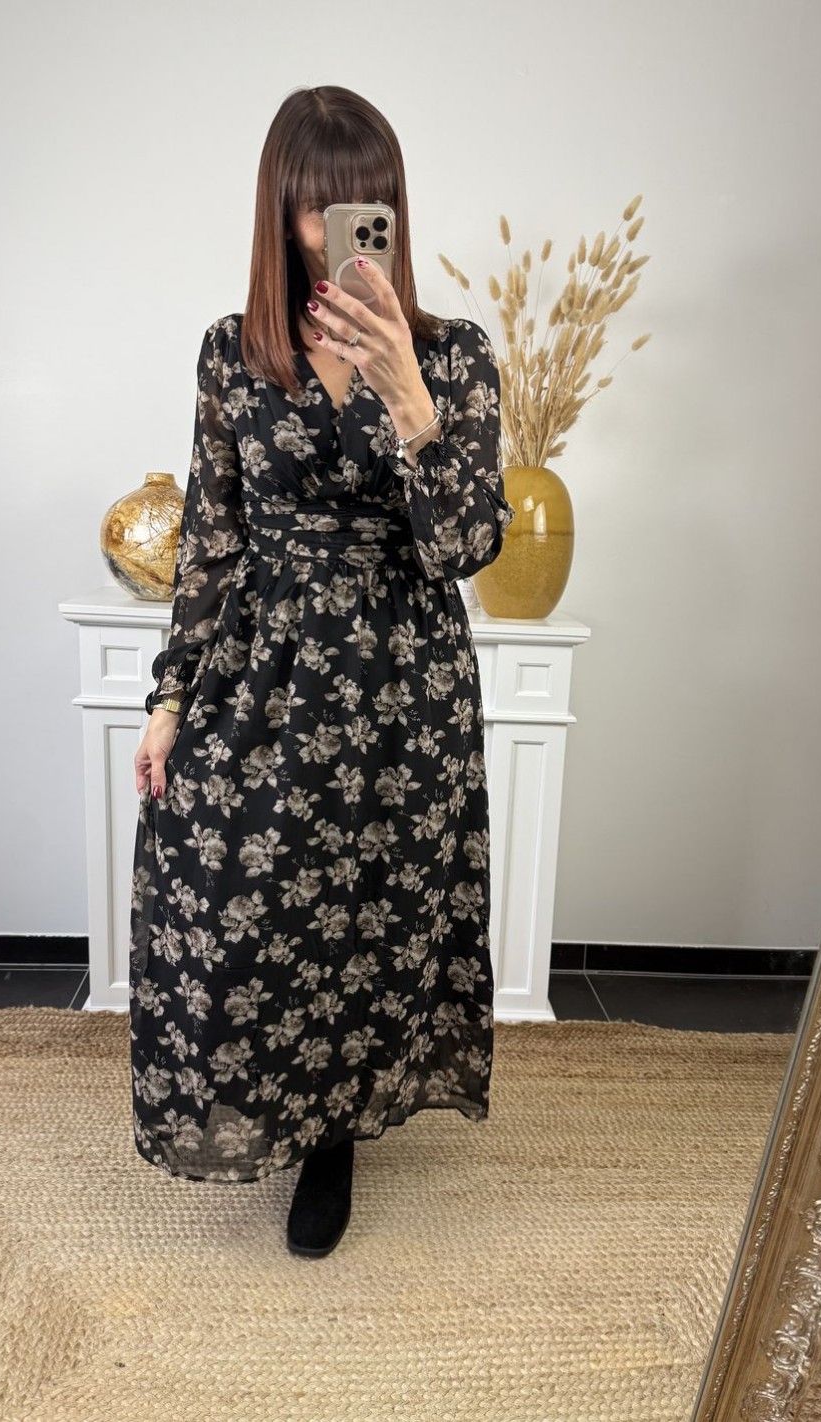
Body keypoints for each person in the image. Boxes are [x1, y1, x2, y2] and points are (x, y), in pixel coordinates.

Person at [128, 85, 515, 1258]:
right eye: (313, 210)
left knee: (375, 908)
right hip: (269, 667)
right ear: (280, 214)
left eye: (361, 205)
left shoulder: (453, 357)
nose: (334, 232)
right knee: (253, 898)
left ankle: (335, 1133)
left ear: (388, 211)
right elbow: (211, 541)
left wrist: (408, 398)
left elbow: (464, 549)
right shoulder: (230, 353)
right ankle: (277, 1094)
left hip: (404, 676)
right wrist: (169, 696)